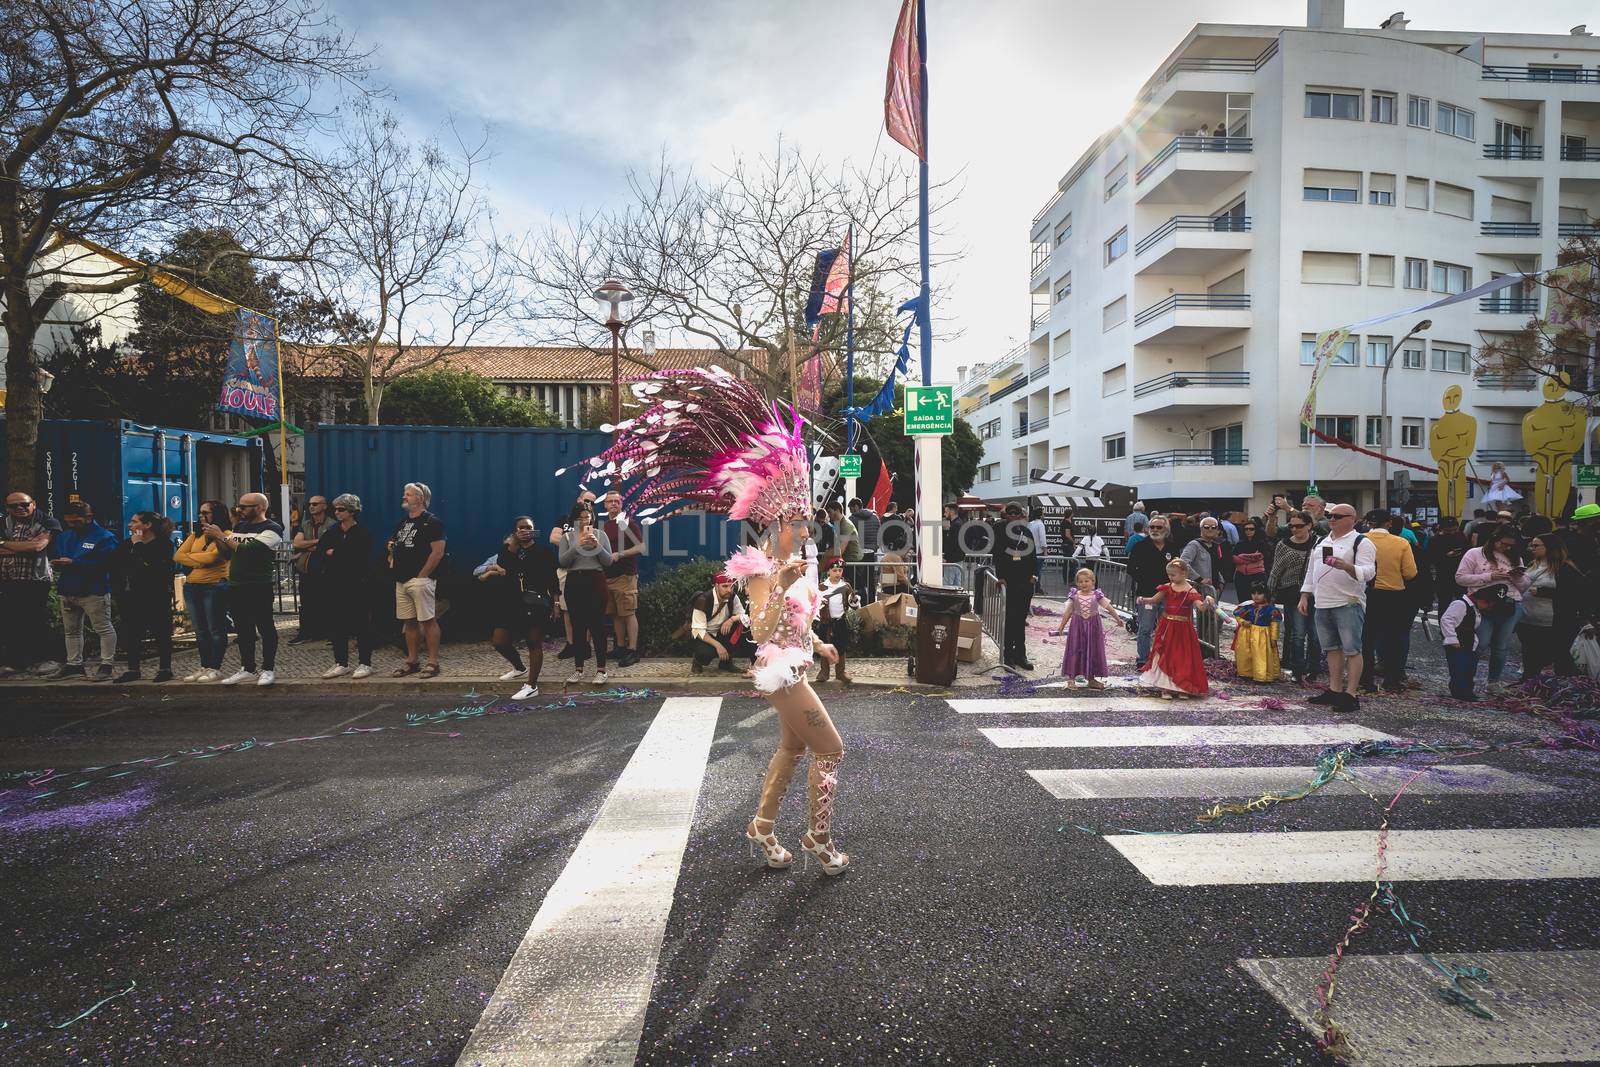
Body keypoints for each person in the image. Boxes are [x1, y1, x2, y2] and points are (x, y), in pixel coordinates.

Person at [1298, 503, 1377, 712]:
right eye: (1330, 516)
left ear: (1352, 519)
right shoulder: (1323, 541)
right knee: (1332, 648)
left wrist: (1347, 566)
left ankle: (1351, 694)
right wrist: (1305, 595)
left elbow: (1369, 572)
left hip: (1348, 602)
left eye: (1338, 516)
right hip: (1323, 601)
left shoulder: (1361, 542)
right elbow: (1311, 570)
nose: (1332, 519)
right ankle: (1334, 689)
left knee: (1352, 648)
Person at [483, 515, 560, 700]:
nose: (525, 531)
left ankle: (532, 686)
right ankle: (519, 668)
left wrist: (556, 604)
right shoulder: (510, 552)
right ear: (515, 532)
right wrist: (510, 546)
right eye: (521, 528)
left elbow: (553, 580)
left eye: (529, 527)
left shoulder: (544, 552)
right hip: (511, 602)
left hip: (536, 602)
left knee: (534, 642)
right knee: (499, 641)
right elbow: (502, 567)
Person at [213, 492, 283, 686]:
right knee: (243, 629)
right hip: (237, 585)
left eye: (244, 507)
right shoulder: (241, 526)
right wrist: (217, 539)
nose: (239, 510)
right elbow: (229, 553)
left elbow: (249, 550)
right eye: (239, 506)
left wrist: (222, 535)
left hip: (258, 585)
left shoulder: (272, 528)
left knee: (265, 626)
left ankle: (268, 668)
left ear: (260, 508)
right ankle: (248, 667)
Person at [45, 500, 120, 681]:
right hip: (68, 588)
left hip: (94, 590)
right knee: (71, 630)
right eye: (69, 521)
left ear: (89, 517)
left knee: (103, 627)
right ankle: (73, 665)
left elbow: (108, 564)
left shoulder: (105, 537)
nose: (72, 524)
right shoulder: (65, 536)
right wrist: (58, 564)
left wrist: (74, 563)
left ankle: (107, 665)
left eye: (76, 521)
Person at [1454, 523, 1531, 693]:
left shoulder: (1515, 557)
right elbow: (1460, 578)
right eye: (1503, 543)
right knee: (1480, 643)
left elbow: (1524, 586)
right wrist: (1489, 576)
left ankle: (1493, 681)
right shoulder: (1475, 553)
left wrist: (1517, 577)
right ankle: (1467, 680)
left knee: (1501, 646)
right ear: (1494, 539)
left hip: (1511, 603)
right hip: (1483, 603)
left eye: (1510, 545)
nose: (1506, 547)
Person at [314, 493, 377, 679]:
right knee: (337, 624)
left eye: (341, 509)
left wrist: (335, 553)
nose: (337, 512)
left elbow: (357, 558)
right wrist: (333, 554)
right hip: (334, 584)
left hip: (357, 585)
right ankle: (341, 662)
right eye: (336, 509)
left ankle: (365, 663)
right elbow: (320, 552)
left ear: (352, 512)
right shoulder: (333, 531)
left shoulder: (362, 533)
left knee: (361, 625)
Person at [388, 482, 446, 679]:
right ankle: (412, 660)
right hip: (401, 580)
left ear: (420, 499)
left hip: (420, 579)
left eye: (409, 494)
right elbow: (394, 545)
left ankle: (432, 662)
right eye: (404, 494)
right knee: (409, 622)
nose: (404, 497)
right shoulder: (403, 522)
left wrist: (422, 575)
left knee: (428, 621)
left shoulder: (431, 521)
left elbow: (438, 552)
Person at [0, 490, 61, 676]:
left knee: (36, 620)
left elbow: (38, 546)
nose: (20, 508)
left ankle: (44, 659)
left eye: (24, 504)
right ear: (6, 507)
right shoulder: (3, 522)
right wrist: (24, 548)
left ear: (33, 503)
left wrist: (4, 543)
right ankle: (16, 662)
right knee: (11, 622)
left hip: (36, 579)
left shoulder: (47, 521)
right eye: (13, 506)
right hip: (8, 578)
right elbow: (31, 547)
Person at [1358, 508, 1419, 694]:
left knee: (1366, 639)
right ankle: (1392, 679)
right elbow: (1410, 573)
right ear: (1389, 523)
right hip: (1394, 594)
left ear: (1368, 522)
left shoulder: (1359, 540)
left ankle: (1365, 680)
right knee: (1395, 638)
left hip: (1367, 593)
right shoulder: (1401, 542)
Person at [113, 511, 176, 683]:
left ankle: (165, 668)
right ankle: (133, 669)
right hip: (132, 596)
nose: (129, 525)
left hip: (156, 594)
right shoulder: (127, 544)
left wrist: (139, 546)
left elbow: (155, 567)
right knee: (132, 633)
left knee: (161, 633)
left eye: (134, 522)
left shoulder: (164, 544)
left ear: (147, 525)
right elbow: (117, 568)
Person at [1136, 558, 1214, 698]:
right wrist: (1143, 599)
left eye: (1173, 575)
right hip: (1167, 626)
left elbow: (1201, 608)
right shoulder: (1168, 587)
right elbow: (1154, 600)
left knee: (1182, 656)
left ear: (1184, 573)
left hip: (1183, 628)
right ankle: (1165, 687)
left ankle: (1181, 687)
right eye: (1169, 575)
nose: (1170, 578)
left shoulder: (1190, 590)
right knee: (1166, 653)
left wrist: (1208, 602)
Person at [174, 501, 231, 682]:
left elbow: (213, 557)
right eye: (200, 512)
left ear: (217, 514)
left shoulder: (226, 535)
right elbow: (178, 556)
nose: (201, 516)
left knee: (215, 629)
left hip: (214, 586)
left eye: (205, 513)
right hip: (192, 587)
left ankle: (215, 667)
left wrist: (192, 559)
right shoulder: (195, 535)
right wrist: (199, 561)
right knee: (200, 631)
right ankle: (205, 666)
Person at [558, 501, 612, 684]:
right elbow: (563, 562)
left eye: (587, 517)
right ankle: (578, 669)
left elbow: (609, 561)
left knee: (597, 626)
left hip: (595, 580)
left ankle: (601, 670)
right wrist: (577, 545)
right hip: (575, 581)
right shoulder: (566, 537)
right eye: (580, 518)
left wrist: (597, 546)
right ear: (574, 519)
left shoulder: (600, 534)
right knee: (578, 627)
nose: (584, 521)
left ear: (593, 518)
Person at [1268, 511, 1320, 684]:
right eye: (1291, 526)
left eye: (1299, 526)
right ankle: (1297, 670)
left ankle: (1313, 670)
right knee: (1297, 634)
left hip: (1316, 593)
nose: (1295, 529)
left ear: (1309, 526)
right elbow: (1275, 571)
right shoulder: (1283, 544)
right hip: (1292, 594)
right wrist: (1270, 596)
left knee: (1315, 634)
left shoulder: (1319, 543)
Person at [1053, 567, 1123, 689]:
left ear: (1093, 582)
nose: (1083, 584)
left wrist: (1118, 619)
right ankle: (1071, 679)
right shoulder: (1074, 596)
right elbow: (1068, 612)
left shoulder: (1097, 596)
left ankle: (1091, 678)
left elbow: (1109, 608)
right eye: (1080, 582)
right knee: (1075, 649)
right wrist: (1061, 626)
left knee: (1092, 650)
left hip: (1093, 627)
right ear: (1077, 583)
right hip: (1077, 627)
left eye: (1087, 581)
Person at [1441, 584, 1510, 701]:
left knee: (1470, 668)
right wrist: (1451, 638)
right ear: (1482, 599)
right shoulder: (1461, 604)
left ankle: (1467, 690)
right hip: (1458, 643)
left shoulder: (1474, 608)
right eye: (1488, 604)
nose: (1488, 608)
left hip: (1469, 644)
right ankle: (1459, 691)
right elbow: (1447, 620)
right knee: (1459, 668)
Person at [1127, 516, 1179, 669]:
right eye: (1152, 527)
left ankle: (1164, 659)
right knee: (1145, 628)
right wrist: (1144, 580)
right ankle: (1143, 660)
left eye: (1158, 527)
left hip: (1168, 594)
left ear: (1166, 530)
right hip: (1147, 594)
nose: (1155, 530)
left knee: (1166, 629)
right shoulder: (1140, 546)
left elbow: (1179, 568)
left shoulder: (1172, 547)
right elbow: (1131, 568)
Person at [601, 491, 645, 668]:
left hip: (625, 576)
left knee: (628, 612)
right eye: (609, 501)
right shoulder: (603, 525)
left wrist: (620, 554)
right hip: (607, 576)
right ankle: (620, 646)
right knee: (615, 613)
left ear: (621, 504)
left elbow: (641, 547)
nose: (613, 504)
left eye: (616, 501)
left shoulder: (627, 523)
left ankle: (633, 650)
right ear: (604, 505)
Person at [995, 501, 1039, 671]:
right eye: (1010, 513)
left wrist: (1034, 575)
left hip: (1025, 581)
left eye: (1016, 514)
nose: (1013, 516)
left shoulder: (1026, 531)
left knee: (1021, 620)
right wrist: (1001, 577)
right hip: (1009, 581)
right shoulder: (999, 529)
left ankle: (1021, 655)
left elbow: (1033, 555)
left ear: (1021, 515)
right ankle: (1008, 655)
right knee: (1010, 620)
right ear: (1006, 515)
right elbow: (997, 554)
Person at [1518, 534, 1565, 679]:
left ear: (1549, 547)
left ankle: (1536, 681)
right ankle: (1528, 680)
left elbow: (1570, 593)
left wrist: (1542, 591)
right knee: (1528, 652)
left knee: (1541, 654)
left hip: (1546, 620)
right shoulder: (1533, 564)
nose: (1532, 548)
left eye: (1536, 545)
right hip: (1525, 617)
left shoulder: (1562, 568)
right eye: (1531, 545)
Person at [289, 495, 333, 643]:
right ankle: (306, 633)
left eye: (315, 504)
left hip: (324, 571)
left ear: (324, 506)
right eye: (310, 504)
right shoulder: (306, 524)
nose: (311, 506)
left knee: (325, 601)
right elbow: (296, 544)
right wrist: (318, 543)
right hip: (305, 570)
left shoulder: (332, 524)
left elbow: (330, 546)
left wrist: (307, 546)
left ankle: (325, 632)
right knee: (306, 603)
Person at [690, 574, 752, 673]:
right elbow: (698, 631)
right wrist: (718, 645)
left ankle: (726, 663)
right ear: (716, 585)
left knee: (742, 628)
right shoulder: (703, 600)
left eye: (731, 586)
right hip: (704, 636)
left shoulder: (732, 597)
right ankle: (697, 661)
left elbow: (743, 616)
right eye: (724, 586)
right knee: (705, 654)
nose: (729, 590)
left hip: (721, 632)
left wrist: (731, 620)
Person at [816, 557, 858, 684]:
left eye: (840, 570)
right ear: (828, 572)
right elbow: (815, 603)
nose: (838, 573)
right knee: (824, 644)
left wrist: (855, 602)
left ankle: (840, 672)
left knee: (841, 645)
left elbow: (853, 604)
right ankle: (824, 671)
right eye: (834, 570)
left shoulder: (845, 587)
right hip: (825, 622)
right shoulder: (822, 587)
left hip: (840, 621)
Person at [1232, 585, 1283, 683]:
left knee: (1261, 656)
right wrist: (1243, 622)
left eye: (1259, 593)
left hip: (1263, 636)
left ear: (1265, 594)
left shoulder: (1271, 610)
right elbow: (1238, 616)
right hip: (1248, 635)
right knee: (1246, 654)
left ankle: (1261, 675)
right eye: (1253, 593)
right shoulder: (1247, 607)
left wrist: (1273, 638)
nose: (1256, 596)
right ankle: (1247, 673)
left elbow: (1274, 625)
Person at [1428, 516, 1469, 618]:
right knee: (1444, 604)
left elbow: (1468, 551)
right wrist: (1446, 556)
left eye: (1454, 529)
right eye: (1448, 530)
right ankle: (1443, 628)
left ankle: (1463, 627)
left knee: (1464, 602)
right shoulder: (1435, 540)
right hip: (1444, 576)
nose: (1452, 532)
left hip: (1461, 574)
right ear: (1441, 528)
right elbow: (1430, 559)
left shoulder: (1461, 536)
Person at [1180, 516, 1227, 602]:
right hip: (1200, 590)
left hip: (1214, 589)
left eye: (1213, 527)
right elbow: (1182, 563)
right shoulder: (1194, 545)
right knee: (1201, 614)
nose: (1210, 529)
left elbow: (1216, 566)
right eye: (1206, 527)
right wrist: (1199, 579)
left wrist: (1221, 582)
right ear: (1201, 528)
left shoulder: (1216, 545)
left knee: (1213, 615)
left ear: (1217, 529)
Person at [1231, 518, 1273, 604]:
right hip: (1241, 576)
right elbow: (1234, 558)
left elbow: (1262, 556)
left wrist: (1242, 557)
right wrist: (1252, 558)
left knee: (1259, 601)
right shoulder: (1240, 543)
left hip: (1257, 575)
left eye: (1251, 529)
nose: (1248, 531)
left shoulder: (1262, 543)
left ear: (1256, 530)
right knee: (1243, 603)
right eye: (1246, 529)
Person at [848, 497, 879, 601]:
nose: (851, 512)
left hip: (859, 553)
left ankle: (862, 603)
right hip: (871, 552)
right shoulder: (875, 517)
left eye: (851, 509)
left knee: (859, 580)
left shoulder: (852, 519)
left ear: (856, 507)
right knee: (870, 579)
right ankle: (871, 603)